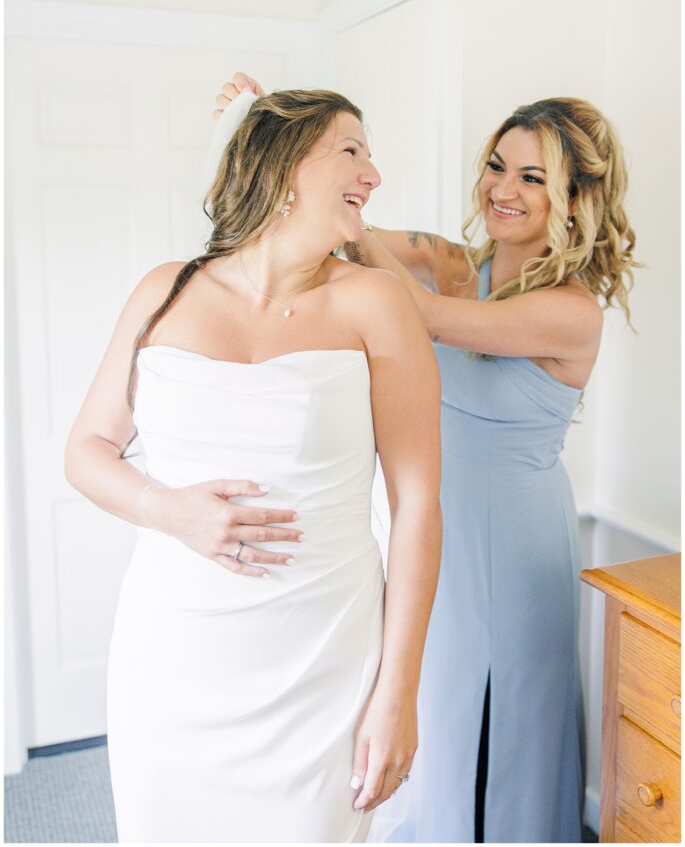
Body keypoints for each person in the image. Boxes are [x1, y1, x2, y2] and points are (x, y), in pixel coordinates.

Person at [214, 76, 636, 843]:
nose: (502, 189)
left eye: (531, 177)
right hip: (434, 527)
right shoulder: (449, 260)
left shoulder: (571, 312)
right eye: (496, 166)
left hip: (515, 543)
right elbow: (343, 225)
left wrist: (366, 253)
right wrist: (284, 127)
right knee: (435, 709)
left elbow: (431, 320)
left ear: (573, 198)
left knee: (508, 718)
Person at [65, 88, 442, 843]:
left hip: (321, 661)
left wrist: (396, 693)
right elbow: (86, 451)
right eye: (351, 150)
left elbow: (419, 507)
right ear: (286, 167)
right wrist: (168, 510)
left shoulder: (376, 303)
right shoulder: (165, 290)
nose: (372, 171)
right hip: (173, 653)